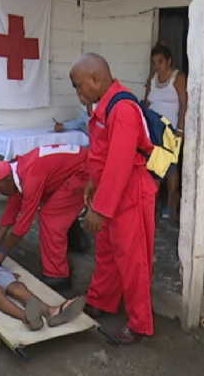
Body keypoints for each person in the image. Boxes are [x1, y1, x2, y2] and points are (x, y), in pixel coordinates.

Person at [70, 53, 158, 344]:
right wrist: (93, 185)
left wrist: (100, 210)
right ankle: (102, 300)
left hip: (130, 191)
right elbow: (102, 154)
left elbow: (120, 164)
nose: (78, 93)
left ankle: (140, 324)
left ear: (96, 79)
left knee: (133, 260)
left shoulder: (123, 109)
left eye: (79, 86)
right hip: (111, 189)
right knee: (107, 251)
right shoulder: (104, 107)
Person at [0, 144, 90, 291]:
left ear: (7, 179)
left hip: (85, 172)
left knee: (51, 217)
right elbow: (10, 213)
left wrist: (1, 252)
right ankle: (77, 241)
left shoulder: (30, 178)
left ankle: (58, 275)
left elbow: (23, 225)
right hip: (76, 167)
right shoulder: (16, 172)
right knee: (58, 207)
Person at [144, 44, 187, 221]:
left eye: (160, 61)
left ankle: (170, 203)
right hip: (153, 128)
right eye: (154, 62)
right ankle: (153, 203)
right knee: (154, 164)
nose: (157, 66)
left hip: (170, 130)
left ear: (169, 61)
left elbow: (184, 104)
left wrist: (181, 128)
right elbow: (146, 102)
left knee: (171, 166)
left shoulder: (177, 77)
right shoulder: (153, 79)